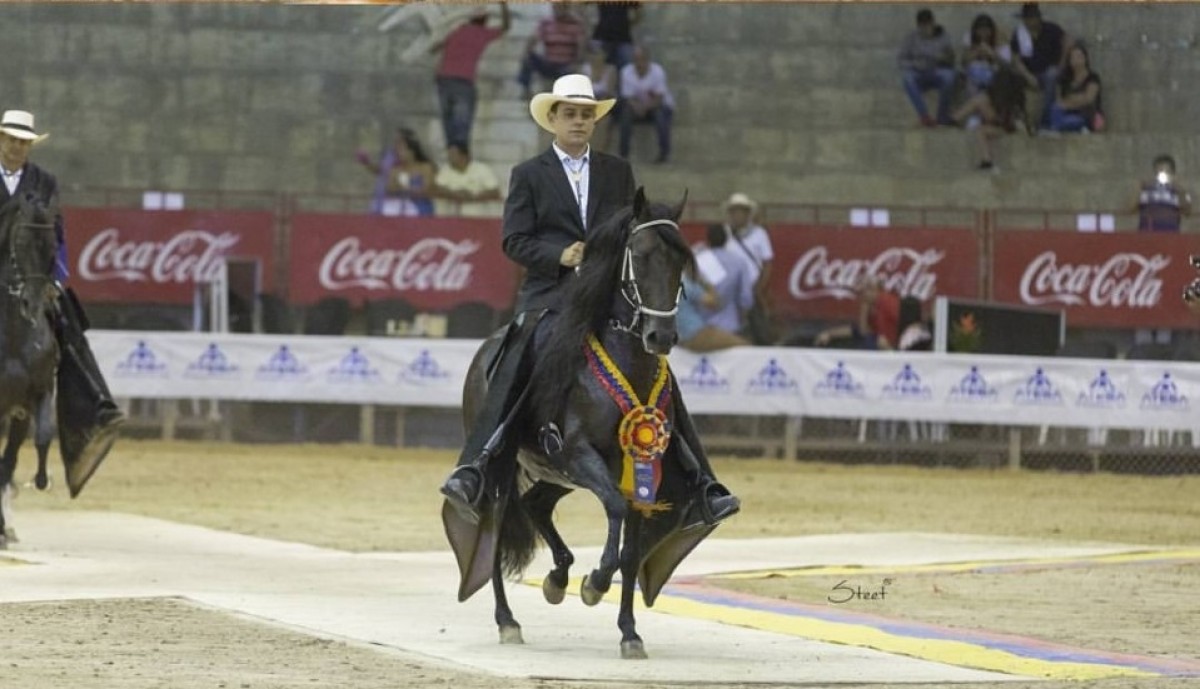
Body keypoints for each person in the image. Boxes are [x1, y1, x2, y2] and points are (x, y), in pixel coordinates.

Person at [439, 74, 737, 527]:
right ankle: (475, 465)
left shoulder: (618, 172)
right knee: (519, 354)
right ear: (553, 120)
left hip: (605, 297)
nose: (579, 121)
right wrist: (559, 254)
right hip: (549, 294)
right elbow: (514, 241)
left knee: (657, 373)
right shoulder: (528, 175)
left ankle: (702, 482)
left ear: (594, 122)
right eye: (570, 114)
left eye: (586, 115)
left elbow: (629, 233)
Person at [0, 110, 124, 473]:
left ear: (30, 146)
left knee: (68, 332)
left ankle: (93, 406)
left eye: (23, 142)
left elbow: (58, 235)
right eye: (10, 140)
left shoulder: (45, 182)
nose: (15, 147)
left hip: (33, 276)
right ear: (0, 141)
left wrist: (57, 277)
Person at [429, 3, 510, 149]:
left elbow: (437, 48)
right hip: (463, 82)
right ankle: (459, 154)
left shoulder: (459, 30)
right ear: (485, 20)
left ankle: (452, 153)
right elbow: (505, 27)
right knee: (462, 128)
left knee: (449, 125)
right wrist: (504, 6)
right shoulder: (483, 34)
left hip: (444, 80)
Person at [951, 64, 1028, 170]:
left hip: (1005, 127)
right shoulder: (1009, 95)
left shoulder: (1006, 97)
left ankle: (986, 160)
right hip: (1003, 125)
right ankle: (955, 119)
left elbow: (1012, 119)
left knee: (980, 128)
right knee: (979, 102)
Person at [722, 192, 774, 344]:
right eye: (733, 211)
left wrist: (758, 288)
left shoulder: (759, 234)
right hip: (729, 289)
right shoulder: (724, 232)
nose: (735, 215)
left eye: (739, 211)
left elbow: (767, 264)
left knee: (759, 330)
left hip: (751, 289)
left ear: (747, 214)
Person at [1009, 2, 1070, 129]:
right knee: (1010, 77)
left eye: (1031, 18)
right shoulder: (1020, 34)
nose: (1029, 21)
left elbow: (1067, 42)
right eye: (1026, 18)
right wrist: (1028, 76)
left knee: (1051, 75)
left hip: (1050, 71)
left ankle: (1046, 119)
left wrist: (1061, 65)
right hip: (1029, 73)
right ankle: (1017, 120)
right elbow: (1016, 59)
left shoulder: (1051, 30)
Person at [691, 224, 756, 337]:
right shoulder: (739, 262)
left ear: (708, 240)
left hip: (700, 328)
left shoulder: (698, 261)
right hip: (730, 327)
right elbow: (746, 298)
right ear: (726, 240)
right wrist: (741, 320)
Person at [897, 8, 956, 128]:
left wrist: (942, 58)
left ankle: (942, 116)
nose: (925, 28)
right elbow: (901, 60)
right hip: (918, 73)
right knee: (907, 79)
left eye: (928, 24)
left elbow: (951, 59)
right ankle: (924, 115)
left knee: (949, 77)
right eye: (922, 25)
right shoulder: (911, 38)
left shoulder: (943, 36)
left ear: (933, 23)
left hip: (937, 71)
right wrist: (915, 64)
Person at [357, 128, 437, 217]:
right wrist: (399, 186)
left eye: (402, 149)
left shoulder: (425, 167)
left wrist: (409, 190)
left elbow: (428, 189)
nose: (399, 153)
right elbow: (389, 188)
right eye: (397, 149)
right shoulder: (396, 170)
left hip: (422, 210)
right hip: (401, 211)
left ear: (412, 150)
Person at [517, 3, 588, 100]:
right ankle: (526, 89)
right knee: (528, 58)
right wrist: (526, 51)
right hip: (549, 63)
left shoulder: (575, 23)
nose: (557, 9)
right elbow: (534, 38)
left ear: (566, 7)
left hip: (566, 65)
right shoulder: (546, 22)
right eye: (555, 6)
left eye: (560, 6)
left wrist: (577, 62)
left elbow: (581, 45)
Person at [617, 45, 674, 164]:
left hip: (656, 106)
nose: (639, 63)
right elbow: (628, 97)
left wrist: (645, 107)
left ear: (648, 59)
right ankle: (623, 154)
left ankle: (664, 153)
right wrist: (637, 107)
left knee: (661, 117)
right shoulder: (627, 72)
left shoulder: (657, 71)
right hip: (636, 107)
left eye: (642, 59)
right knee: (625, 114)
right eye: (636, 59)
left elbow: (659, 97)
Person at [813, 274, 901, 350]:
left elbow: (900, 327)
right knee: (865, 339)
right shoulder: (870, 304)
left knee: (871, 342)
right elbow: (861, 330)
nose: (861, 295)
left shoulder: (887, 302)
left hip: (894, 348)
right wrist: (829, 334)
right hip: (882, 345)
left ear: (874, 290)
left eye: (863, 291)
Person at [431, 141, 501, 218]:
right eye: (449, 155)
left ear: (464, 156)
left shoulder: (482, 169)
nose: (449, 158)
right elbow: (437, 189)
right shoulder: (446, 170)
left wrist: (472, 197)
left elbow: (495, 192)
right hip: (451, 220)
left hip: (479, 219)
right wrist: (454, 194)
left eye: (453, 155)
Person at [1045, 44, 1102, 133]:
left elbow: (1089, 99)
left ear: (1085, 58)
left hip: (1085, 115)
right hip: (1067, 114)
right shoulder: (1066, 80)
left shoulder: (1092, 77)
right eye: (1073, 57)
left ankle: (1056, 128)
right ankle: (1059, 128)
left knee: (1064, 122)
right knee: (1055, 109)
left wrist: (1069, 102)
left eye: (1079, 56)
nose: (1076, 60)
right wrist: (1077, 99)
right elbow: (1059, 101)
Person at [1136, 155, 1193, 232]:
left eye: (1166, 172)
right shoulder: (1145, 189)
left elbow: (1188, 212)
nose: (1162, 175)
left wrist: (1180, 190)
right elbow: (1130, 208)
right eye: (1158, 172)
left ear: (1172, 173)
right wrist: (1139, 187)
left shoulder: (1179, 189)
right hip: (1147, 231)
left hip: (1170, 232)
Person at [961, 13, 1011, 96]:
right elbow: (964, 62)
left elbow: (1006, 66)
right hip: (974, 77)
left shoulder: (1000, 41)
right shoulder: (970, 40)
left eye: (986, 30)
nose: (983, 34)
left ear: (991, 31)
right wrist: (976, 52)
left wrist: (992, 54)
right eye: (980, 30)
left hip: (993, 77)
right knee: (972, 82)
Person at [590, 1, 640, 70]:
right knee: (600, 71)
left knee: (626, 69)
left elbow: (638, 12)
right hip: (602, 36)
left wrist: (628, 24)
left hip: (623, 38)